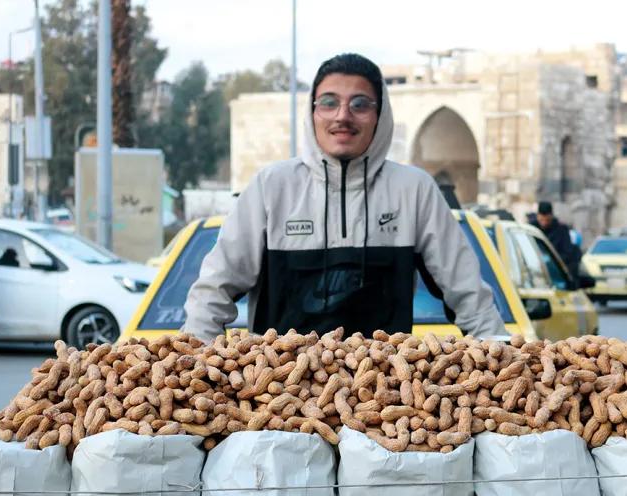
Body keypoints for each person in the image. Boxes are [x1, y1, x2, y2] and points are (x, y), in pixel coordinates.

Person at [182, 54, 505, 342]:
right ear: (312, 111)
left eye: (360, 104)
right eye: (329, 102)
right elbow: (214, 290)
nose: (343, 116)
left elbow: (468, 294)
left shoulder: (414, 190)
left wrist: (500, 358)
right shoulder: (271, 187)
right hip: (280, 385)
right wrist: (195, 363)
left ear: (380, 114)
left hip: (385, 385)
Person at [528, 201, 582, 281]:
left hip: (557, 271)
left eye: (547, 220)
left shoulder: (561, 230)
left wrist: (552, 262)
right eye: (542, 220)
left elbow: (567, 252)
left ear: (551, 216)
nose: (544, 223)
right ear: (538, 216)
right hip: (535, 270)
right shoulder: (531, 229)